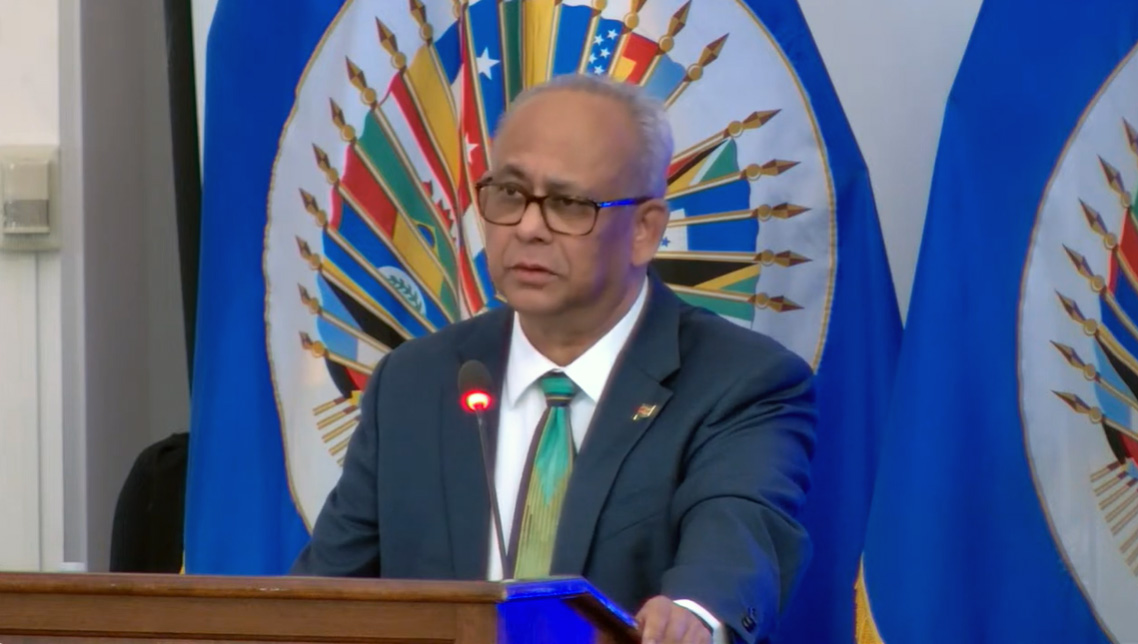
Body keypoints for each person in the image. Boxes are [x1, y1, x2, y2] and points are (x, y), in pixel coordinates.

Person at [291, 73, 817, 644]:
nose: (528, 227)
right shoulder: (415, 380)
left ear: (645, 231)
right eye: (510, 194)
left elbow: (737, 534)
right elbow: (323, 600)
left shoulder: (741, 381)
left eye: (568, 204)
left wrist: (694, 613)